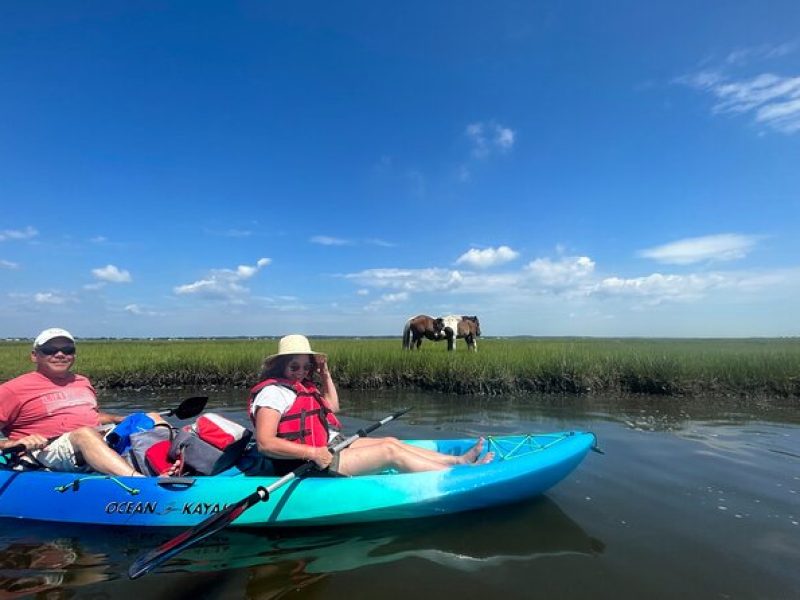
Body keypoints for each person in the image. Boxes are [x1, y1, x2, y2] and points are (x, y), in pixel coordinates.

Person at [248, 334, 493, 476]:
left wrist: (325, 375)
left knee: (392, 442)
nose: (300, 372)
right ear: (280, 366)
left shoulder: (304, 387)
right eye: (294, 367)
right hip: (306, 461)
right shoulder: (272, 394)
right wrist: (312, 453)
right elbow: (265, 443)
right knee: (390, 453)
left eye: (306, 366)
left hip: (328, 446)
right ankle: (456, 477)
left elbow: (333, 407)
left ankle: (457, 462)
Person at [0, 328, 147, 476]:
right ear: (34, 356)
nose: (60, 355)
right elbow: (83, 431)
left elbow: (86, 415)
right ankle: (140, 482)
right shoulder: (12, 390)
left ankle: (165, 469)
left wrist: (117, 419)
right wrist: (11, 443)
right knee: (83, 434)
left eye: (67, 350)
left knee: (148, 418)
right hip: (45, 451)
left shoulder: (82, 381)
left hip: (97, 440)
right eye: (50, 350)